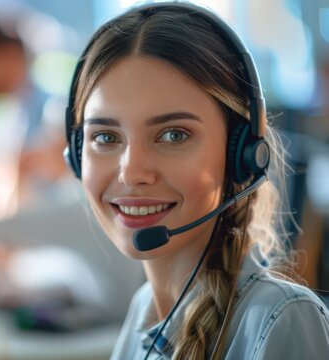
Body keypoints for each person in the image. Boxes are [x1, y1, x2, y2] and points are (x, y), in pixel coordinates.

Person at [63, 2, 329, 359]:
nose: (131, 172)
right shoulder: (145, 311)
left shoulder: (279, 319)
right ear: (77, 154)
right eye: (106, 138)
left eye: (173, 135)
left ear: (241, 153)